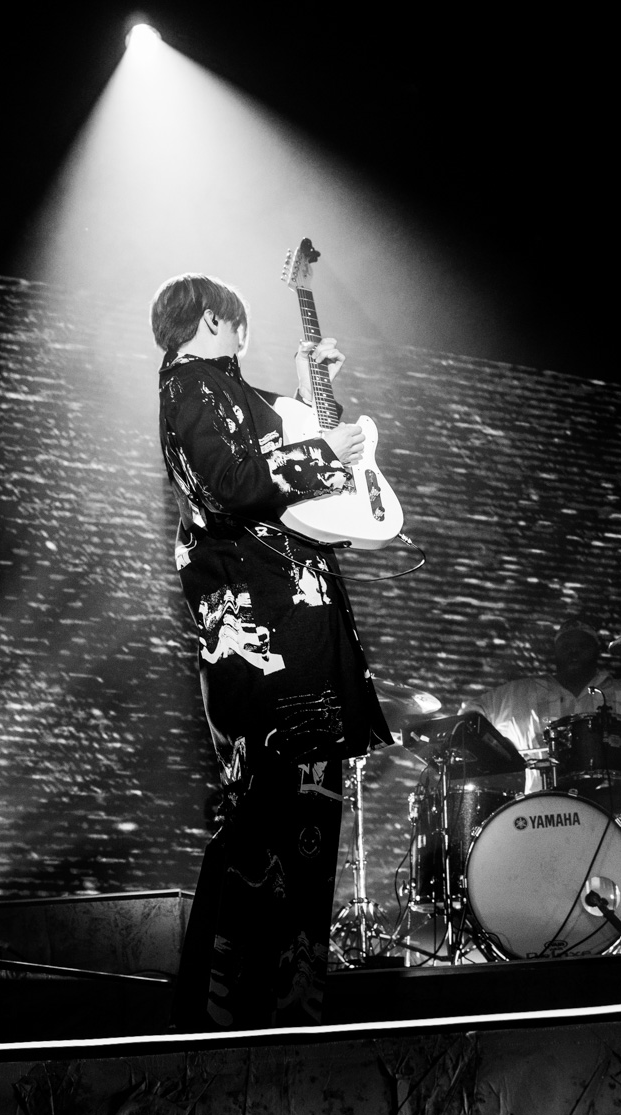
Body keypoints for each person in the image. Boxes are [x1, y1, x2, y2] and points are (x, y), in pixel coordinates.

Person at [150, 272, 391, 1031]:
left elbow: (298, 478)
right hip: (265, 647)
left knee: (299, 824)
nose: (242, 331)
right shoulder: (191, 386)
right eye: (237, 321)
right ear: (214, 319)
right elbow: (229, 484)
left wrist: (307, 385)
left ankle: (279, 1011)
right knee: (264, 825)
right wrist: (322, 451)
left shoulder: (232, 393)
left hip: (294, 637)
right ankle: (237, 1017)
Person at [460, 619, 621, 798]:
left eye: (582, 645)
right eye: (566, 645)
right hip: (538, 811)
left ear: (596, 650)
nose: (574, 651)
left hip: (611, 808)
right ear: (555, 651)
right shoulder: (520, 692)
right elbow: (471, 713)